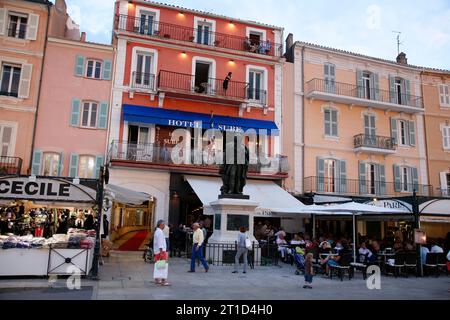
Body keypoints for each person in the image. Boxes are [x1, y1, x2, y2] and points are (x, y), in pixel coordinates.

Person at [153, 220, 170, 286]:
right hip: (161, 251)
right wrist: (161, 253)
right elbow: (160, 243)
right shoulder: (160, 232)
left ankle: (157, 279)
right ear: (161, 225)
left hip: (157, 252)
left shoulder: (157, 231)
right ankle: (163, 281)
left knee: (158, 266)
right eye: (164, 225)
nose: (164, 226)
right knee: (163, 266)